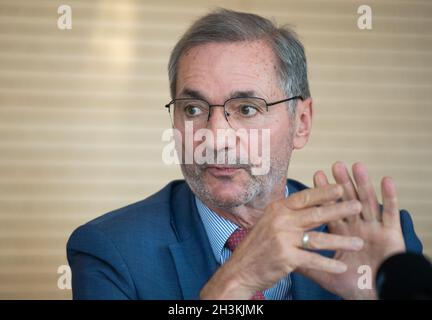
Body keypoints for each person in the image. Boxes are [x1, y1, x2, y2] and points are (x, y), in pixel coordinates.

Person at [67, 8, 422, 300]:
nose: (216, 138)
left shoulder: (376, 238)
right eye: (192, 109)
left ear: (301, 122)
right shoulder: (111, 251)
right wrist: (234, 284)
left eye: (247, 109)